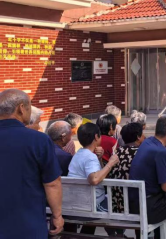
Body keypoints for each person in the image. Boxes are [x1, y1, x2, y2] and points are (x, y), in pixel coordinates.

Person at [0, 89, 64, 238]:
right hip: (27, 224)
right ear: (21, 108)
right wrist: (57, 215)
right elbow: (52, 183)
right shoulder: (38, 140)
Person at [68, 123, 120, 212]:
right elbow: (94, 179)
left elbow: (97, 173)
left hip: (77, 200)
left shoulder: (78, 154)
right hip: (92, 204)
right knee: (117, 207)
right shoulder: (90, 157)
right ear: (96, 137)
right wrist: (110, 163)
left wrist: (99, 159)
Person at [109, 123, 146, 214]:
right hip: (133, 205)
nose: (144, 136)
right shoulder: (141, 153)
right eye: (142, 134)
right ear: (138, 137)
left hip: (117, 203)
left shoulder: (117, 151)